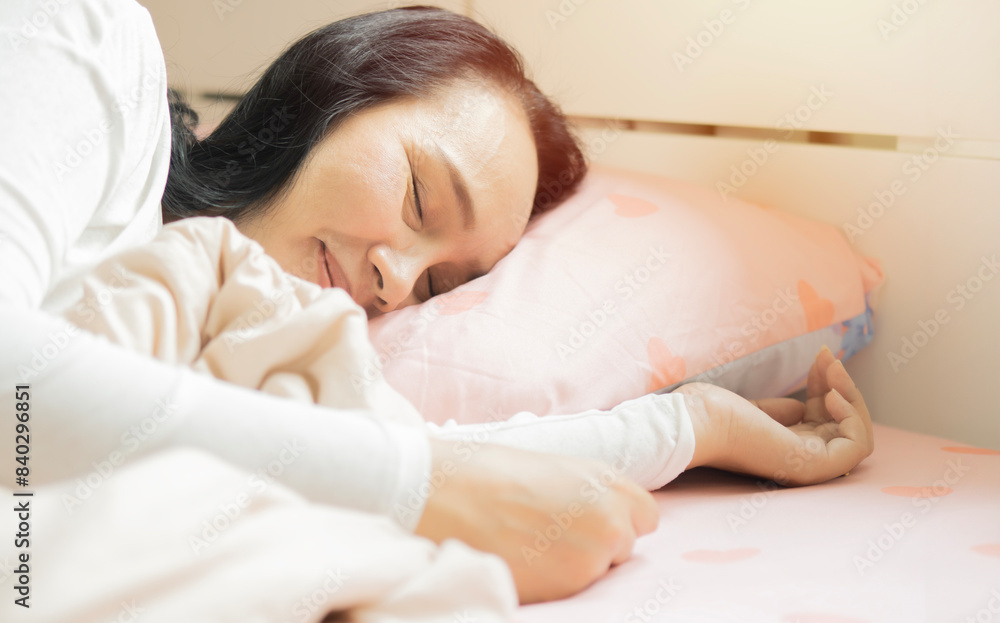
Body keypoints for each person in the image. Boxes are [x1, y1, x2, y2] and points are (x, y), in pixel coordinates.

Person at [0, 1, 874, 617]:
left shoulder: (243, 349)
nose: (396, 280)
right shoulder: (86, 45)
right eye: (419, 197)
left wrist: (695, 426)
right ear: (332, 97)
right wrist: (411, 494)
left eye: (437, 287)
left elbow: (410, 455)